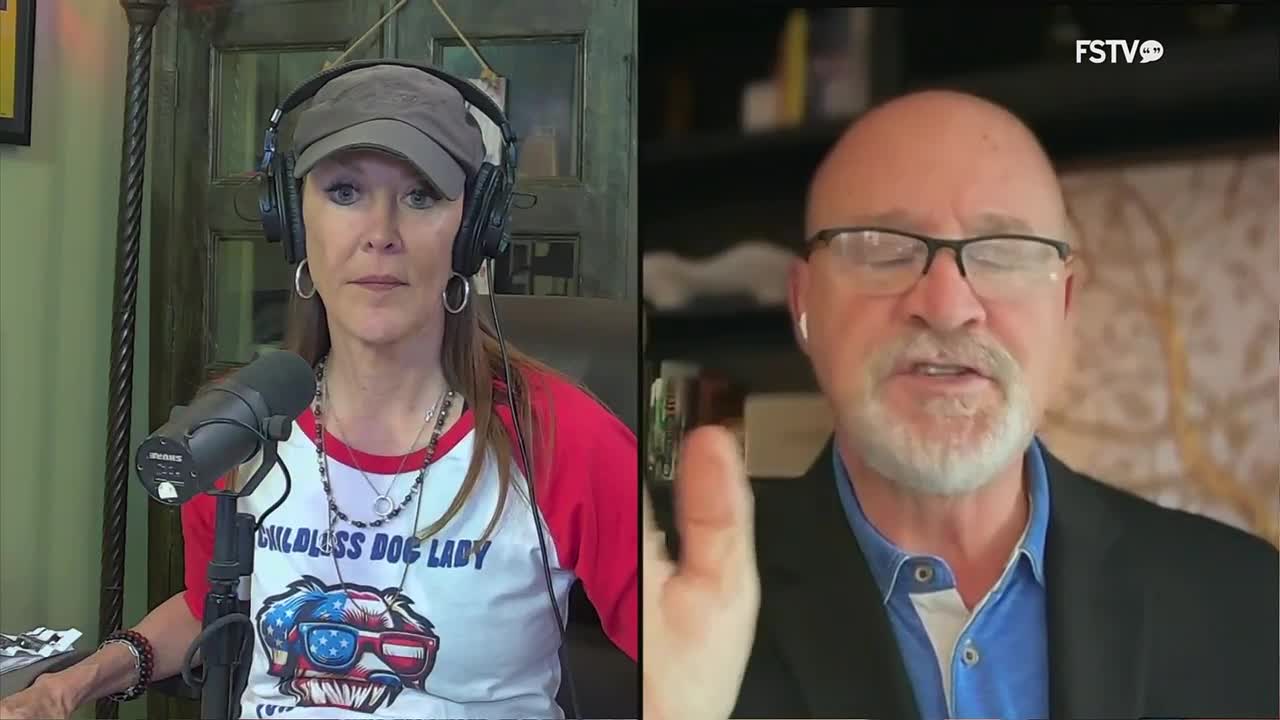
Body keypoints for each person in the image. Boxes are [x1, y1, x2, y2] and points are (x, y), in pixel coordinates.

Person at [0, 63, 637, 720]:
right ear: (294, 222)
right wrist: (70, 684)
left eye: (422, 196)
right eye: (344, 192)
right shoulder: (242, 418)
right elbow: (207, 607)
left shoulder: (562, 439)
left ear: (474, 230)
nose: (381, 232)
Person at [643, 89, 1279, 720]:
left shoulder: (1249, 601)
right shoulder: (656, 605)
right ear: (803, 304)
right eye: (882, 248)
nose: (947, 306)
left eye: (1003, 253)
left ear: (1065, 306)